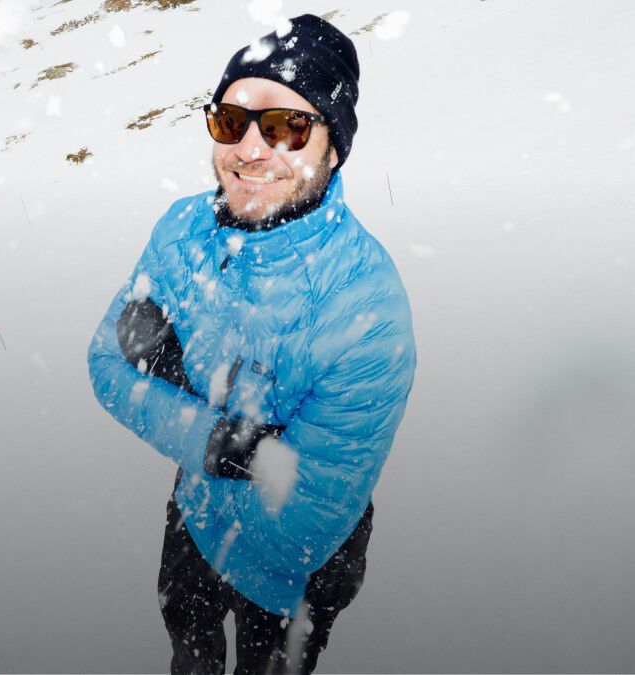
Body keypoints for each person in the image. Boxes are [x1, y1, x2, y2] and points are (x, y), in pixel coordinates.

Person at [88, 14, 417, 674]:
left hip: (297, 577)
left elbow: (302, 523)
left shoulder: (367, 307)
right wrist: (215, 443)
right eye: (231, 120)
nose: (249, 150)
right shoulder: (183, 228)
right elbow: (104, 366)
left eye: (287, 127)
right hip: (192, 518)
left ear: (333, 148)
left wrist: (181, 415)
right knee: (190, 652)